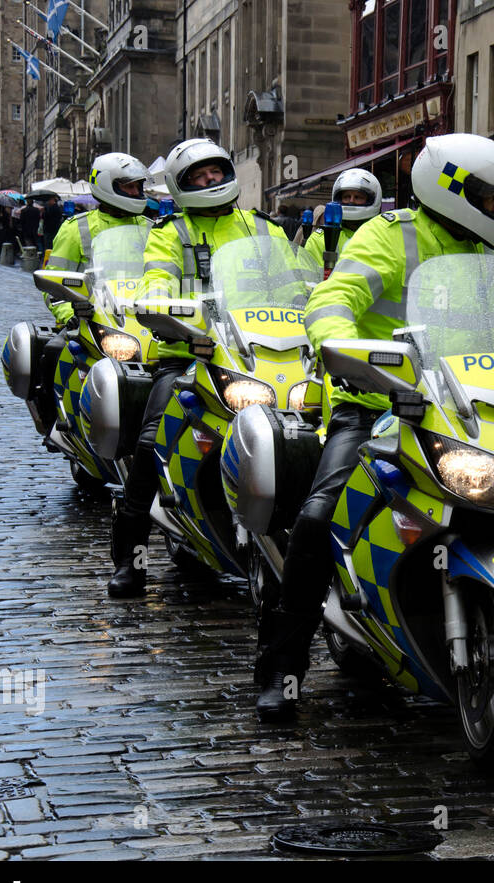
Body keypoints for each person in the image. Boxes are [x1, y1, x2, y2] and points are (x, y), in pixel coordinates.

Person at [254, 133, 494, 720]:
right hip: (378, 402)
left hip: (475, 410)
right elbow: (337, 296)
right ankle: (282, 664)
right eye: (489, 198)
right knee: (316, 517)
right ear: (454, 191)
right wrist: (338, 343)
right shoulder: (392, 234)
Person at [109, 138, 289, 600]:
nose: (211, 182)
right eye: (198, 177)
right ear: (180, 185)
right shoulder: (170, 232)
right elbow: (156, 279)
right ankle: (130, 562)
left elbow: (296, 285)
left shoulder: (263, 228)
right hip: (188, 354)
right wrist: (162, 307)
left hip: (259, 355)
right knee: (150, 444)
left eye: (216, 173)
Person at [36, 153, 152, 424]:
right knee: (53, 351)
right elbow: (55, 286)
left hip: (139, 320)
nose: (136, 192)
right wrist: (71, 313)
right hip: (90, 317)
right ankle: (53, 419)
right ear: (106, 185)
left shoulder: (152, 228)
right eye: (128, 186)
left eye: (138, 186)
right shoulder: (76, 228)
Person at [302, 168, 382, 268]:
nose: (351, 201)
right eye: (347, 197)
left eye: (358, 197)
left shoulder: (381, 237)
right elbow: (307, 277)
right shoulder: (319, 239)